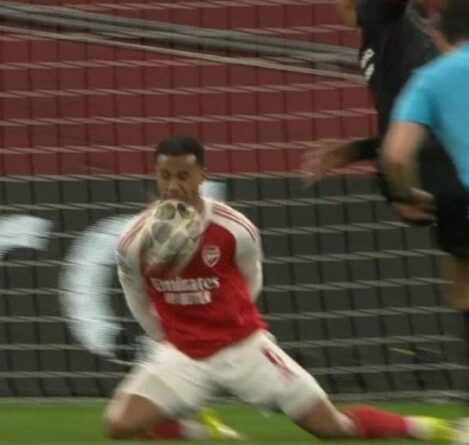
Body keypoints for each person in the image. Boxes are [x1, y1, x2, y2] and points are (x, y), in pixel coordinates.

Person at [104, 134, 457, 441]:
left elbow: (251, 279)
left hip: (243, 349)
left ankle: (428, 428)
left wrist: (228, 319)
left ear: (202, 176)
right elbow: (134, 292)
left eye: (183, 176)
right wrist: (165, 337)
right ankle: (197, 428)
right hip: (182, 354)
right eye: (165, 176)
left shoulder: (234, 228)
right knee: (119, 426)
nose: (173, 186)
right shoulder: (136, 239)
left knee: (332, 427)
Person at [301, 0, 469, 355]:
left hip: (441, 171)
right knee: (460, 282)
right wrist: (356, 151)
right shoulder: (394, 40)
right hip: (438, 168)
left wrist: (397, 191)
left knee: (462, 286)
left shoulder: (384, 16)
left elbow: (400, 148)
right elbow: (402, 128)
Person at [381, 0, 469, 313]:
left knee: (464, 295)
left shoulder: (430, 80)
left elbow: (396, 156)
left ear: (439, 35)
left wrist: (404, 194)